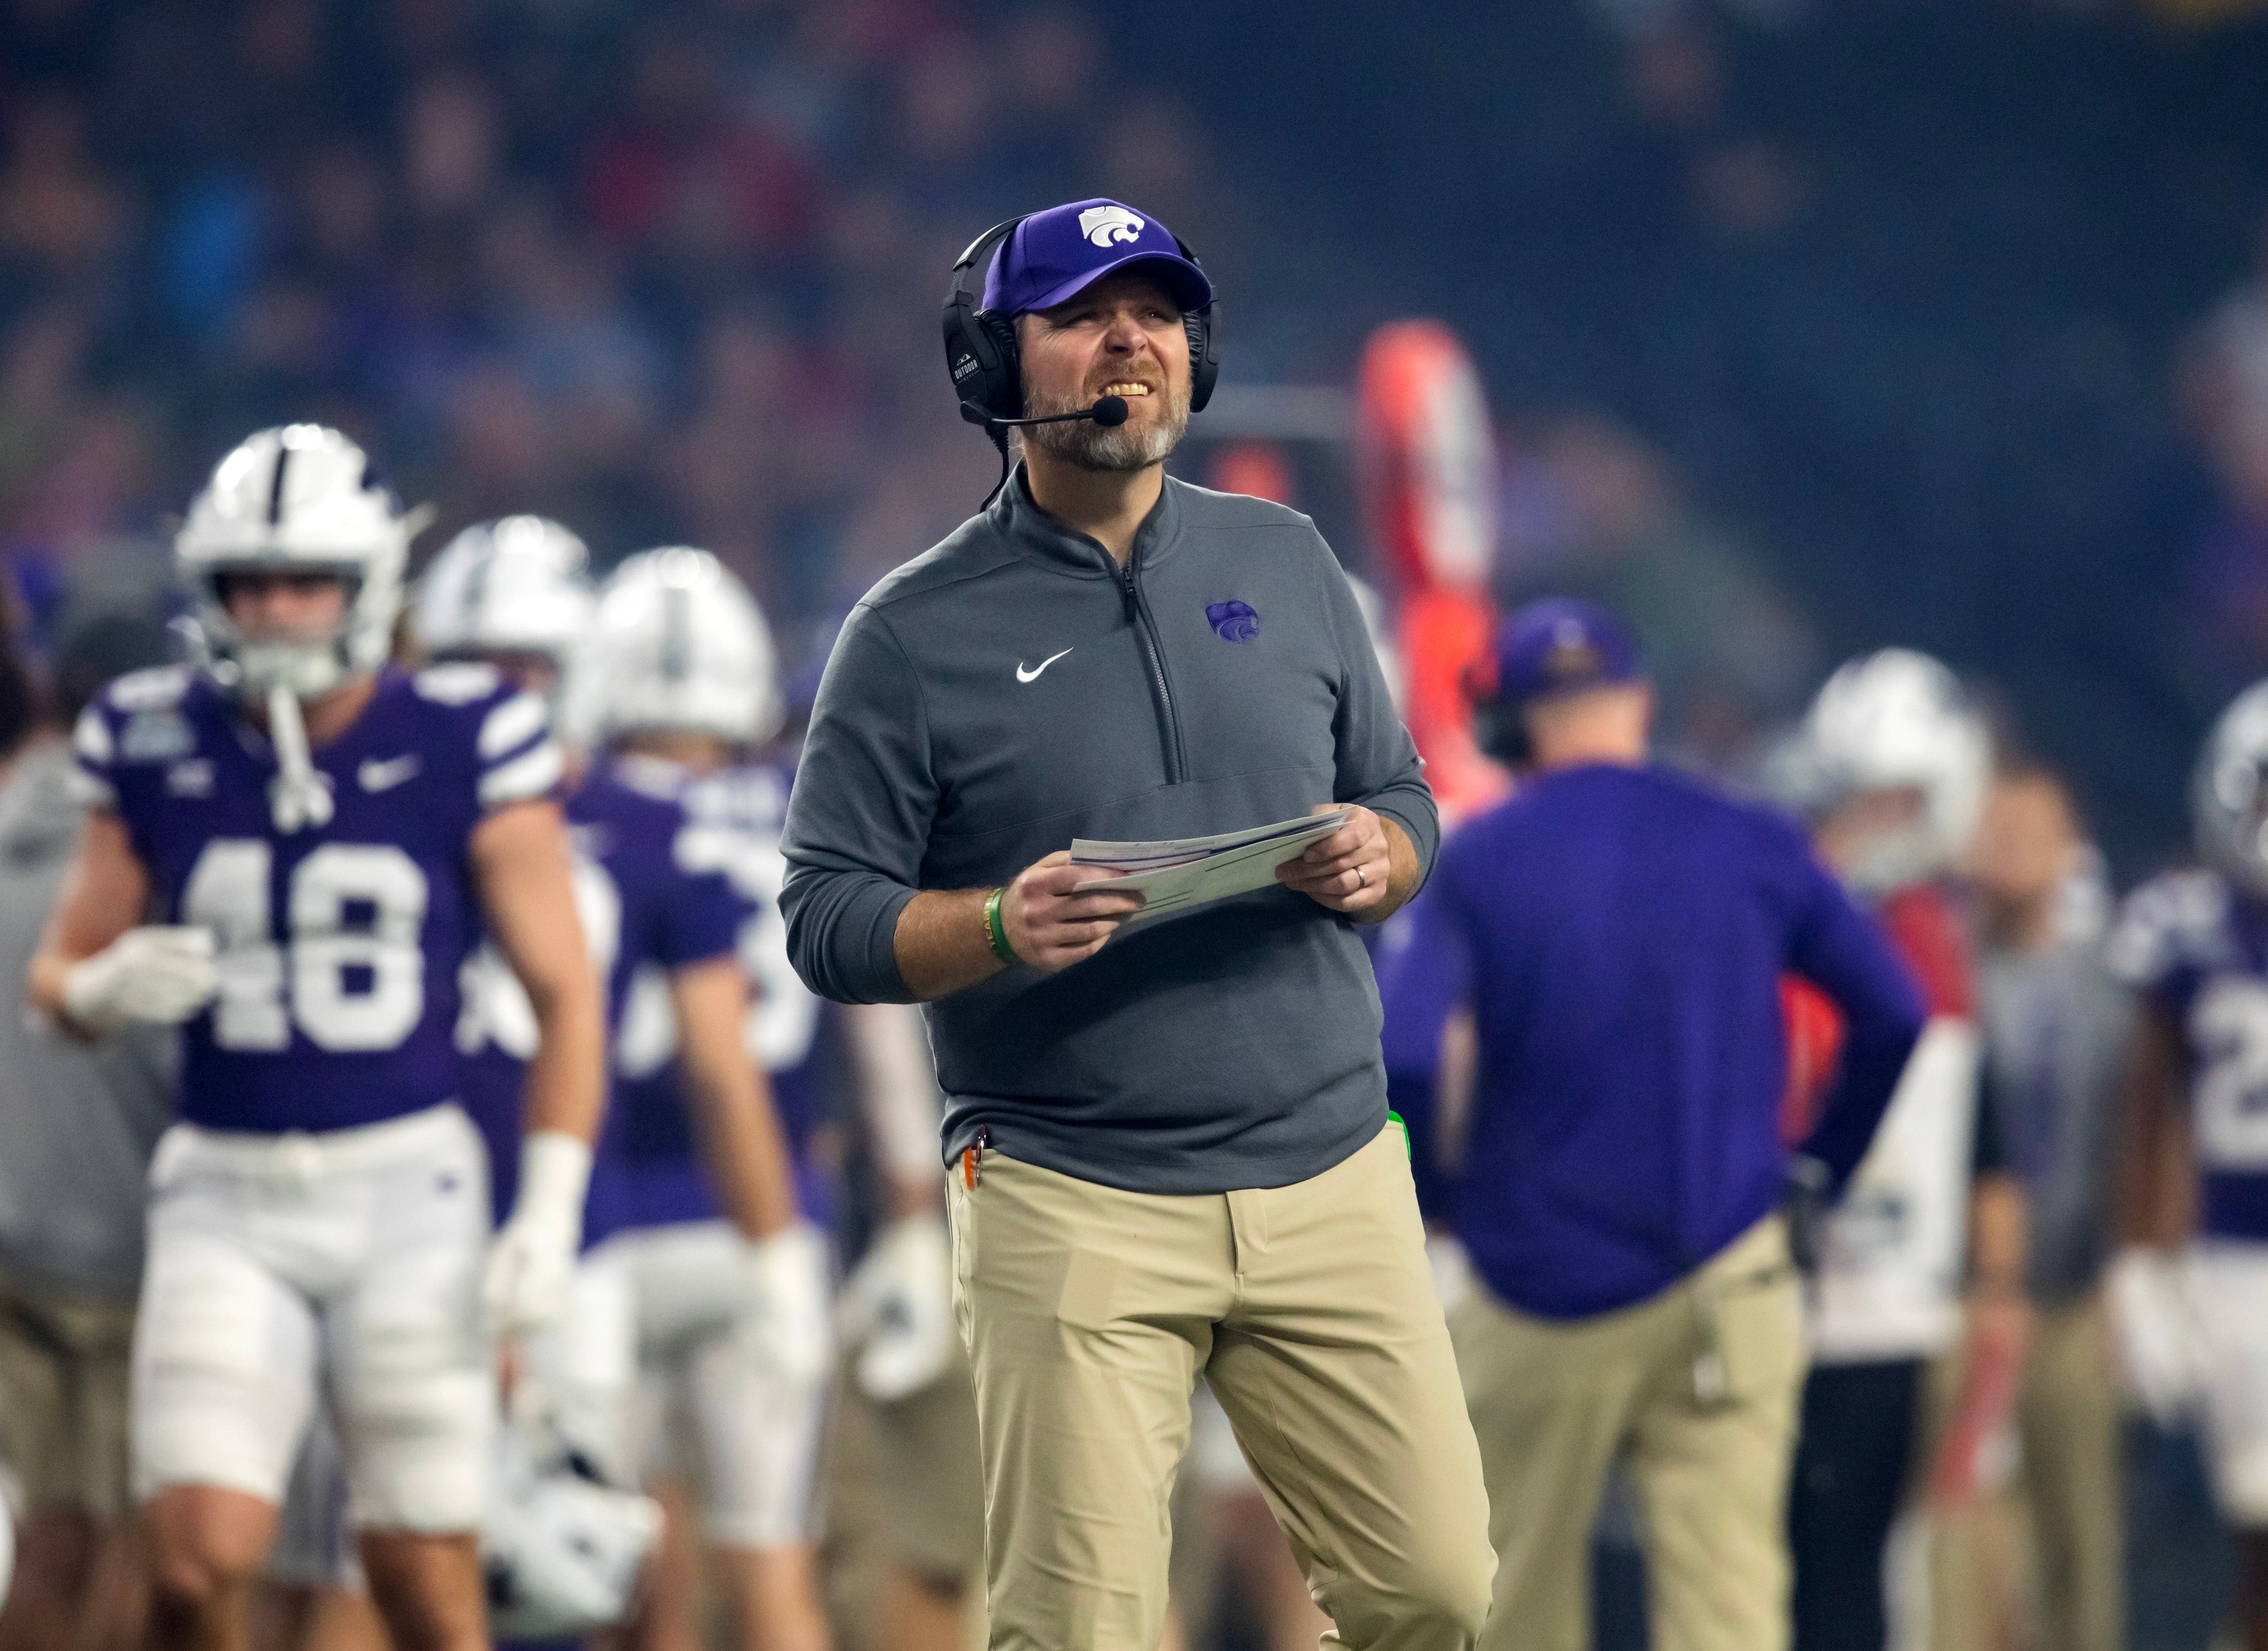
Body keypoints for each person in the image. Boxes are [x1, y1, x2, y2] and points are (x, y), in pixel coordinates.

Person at [778, 196, 1496, 1651]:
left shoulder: (1288, 562)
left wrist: (1383, 855)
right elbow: (825, 917)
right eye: (1089, 315)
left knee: (1437, 1592)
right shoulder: (912, 635)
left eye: (1160, 313)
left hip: (1330, 1170)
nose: (1134, 343)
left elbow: (1403, 793)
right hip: (1074, 1188)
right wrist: (993, 922)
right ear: (995, 369)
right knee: (1081, 1634)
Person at [25, 424, 608, 1651]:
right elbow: (58, 977)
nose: (279, 610)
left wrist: (546, 1209)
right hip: (223, 1186)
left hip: (406, 1187)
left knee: (420, 1575)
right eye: (251, 581)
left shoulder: (466, 733)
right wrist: (101, 988)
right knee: (191, 1561)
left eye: (307, 581)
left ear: (368, 585)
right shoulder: (150, 730)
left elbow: (564, 993)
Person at [1375, 598, 1923, 1651]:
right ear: (1635, 702)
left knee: (1513, 1601)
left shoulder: (1481, 858)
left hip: (1538, 1285)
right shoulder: (1749, 837)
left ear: (1508, 727)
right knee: (1726, 1612)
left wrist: (1438, 1198)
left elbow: (1400, 1054)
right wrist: (1818, 1167)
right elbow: (1890, 1009)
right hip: (1727, 1267)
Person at [423, 532, 833, 1649]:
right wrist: (795, 1231)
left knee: (600, 1581)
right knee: (758, 1564)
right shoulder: (762, 811)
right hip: (709, 1206)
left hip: (571, 1223)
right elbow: (765, 1054)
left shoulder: (548, 819)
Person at [1776, 649, 2028, 1651]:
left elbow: (1986, 1139)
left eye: (1897, 796)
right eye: (1861, 796)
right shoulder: (1800, 914)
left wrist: (1996, 1287)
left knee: (1909, 1577)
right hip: (1798, 1296)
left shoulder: (1945, 936)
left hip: (1907, 1302)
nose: (1876, 819)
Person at [0, 612, 170, 1651]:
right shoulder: (153, 844)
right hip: (132, 1251)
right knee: (136, 1549)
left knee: (44, 1540)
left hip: (10, 1251)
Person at [1954, 757, 2129, 1651]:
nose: (2014, 849)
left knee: (2081, 1538)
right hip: (1969, 1299)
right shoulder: (1944, 968)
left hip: (2074, 1292)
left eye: (2035, 831)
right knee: (1974, 1547)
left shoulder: (2105, 985)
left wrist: (2135, 1276)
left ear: (2072, 850)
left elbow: (2132, 1132)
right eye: (1999, 828)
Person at [2108, 675, 2268, 1651]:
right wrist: (2139, 1260)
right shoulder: (2186, 919)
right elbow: (2146, 1105)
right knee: (2250, 1531)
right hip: (2228, 1256)